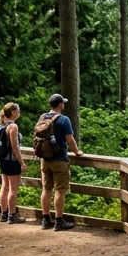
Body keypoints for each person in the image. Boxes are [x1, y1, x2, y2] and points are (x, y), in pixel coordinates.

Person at [34, 94, 83, 231]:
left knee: (46, 189)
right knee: (60, 191)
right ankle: (59, 221)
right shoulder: (64, 119)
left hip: (45, 159)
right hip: (59, 159)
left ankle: (45, 220)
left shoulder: (42, 117)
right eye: (63, 103)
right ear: (60, 105)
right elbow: (70, 139)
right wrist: (76, 152)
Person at [0, 103, 27, 224]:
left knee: (5, 186)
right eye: (18, 111)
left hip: (3, 160)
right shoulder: (13, 126)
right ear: (13, 112)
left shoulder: (1, 125)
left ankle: (4, 214)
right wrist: (21, 162)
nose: (19, 113)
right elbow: (15, 147)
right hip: (12, 161)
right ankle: (12, 215)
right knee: (13, 189)